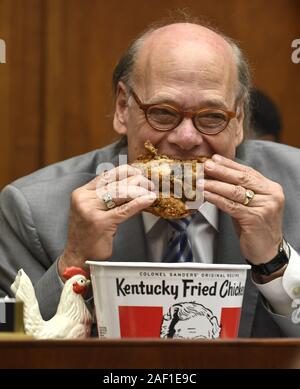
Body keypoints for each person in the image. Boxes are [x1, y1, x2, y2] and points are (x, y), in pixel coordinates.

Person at [1, 17, 300, 337]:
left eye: (212, 117)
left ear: (238, 119)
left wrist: (276, 263)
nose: (186, 138)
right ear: (122, 107)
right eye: (163, 113)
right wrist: (74, 260)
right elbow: (9, 339)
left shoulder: (294, 185)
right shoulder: (31, 209)